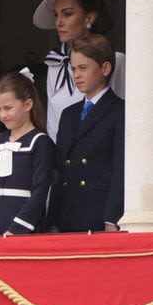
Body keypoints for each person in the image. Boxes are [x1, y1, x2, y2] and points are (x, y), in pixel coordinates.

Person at [33, 0, 125, 141]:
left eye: (67, 14)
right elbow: (53, 124)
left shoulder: (117, 60)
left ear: (89, 17)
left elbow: (124, 115)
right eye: (56, 15)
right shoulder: (55, 65)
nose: (59, 22)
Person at [47, 34, 124, 233]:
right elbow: (60, 172)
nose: (76, 75)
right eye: (73, 69)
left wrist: (112, 218)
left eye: (83, 68)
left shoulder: (119, 111)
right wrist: (52, 220)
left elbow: (120, 169)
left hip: (98, 214)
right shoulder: (68, 114)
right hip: (68, 214)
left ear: (105, 68)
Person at [0, 68, 55, 236]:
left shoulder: (40, 142)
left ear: (28, 104)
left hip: (26, 232)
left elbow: (39, 193)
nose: (2, 115)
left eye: (8, 108)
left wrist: (15, 231)